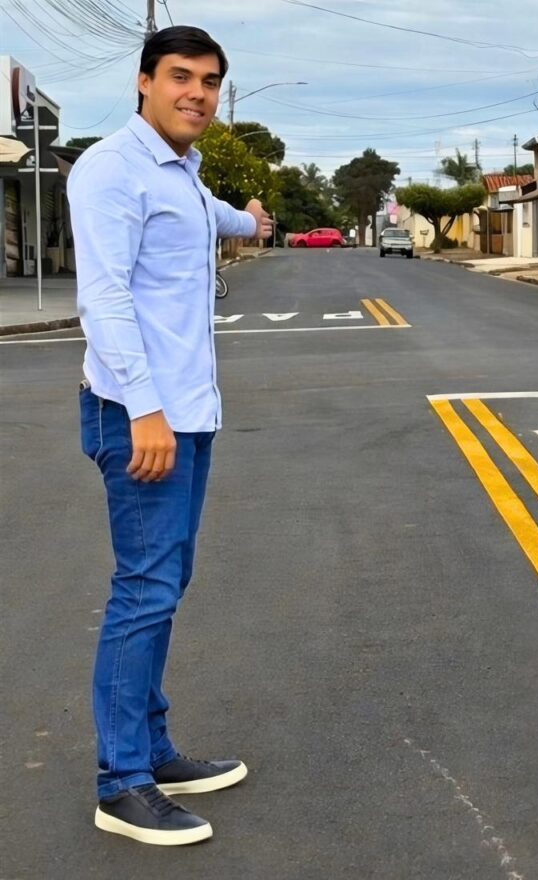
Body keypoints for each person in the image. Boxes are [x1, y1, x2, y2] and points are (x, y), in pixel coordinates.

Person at [68, 25, 273, 846]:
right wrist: (145, 410)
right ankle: (121, 783)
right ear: (144, 81)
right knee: (144, 591)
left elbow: (217, 216)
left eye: (210, 81)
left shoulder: (182, 173)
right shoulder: (111, 169)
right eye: (181, 76)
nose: (198, 93)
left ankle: (153, 749)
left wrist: (250, 222)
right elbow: (105, 297)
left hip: (188, 414)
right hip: (140, 415)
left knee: (166, 584)